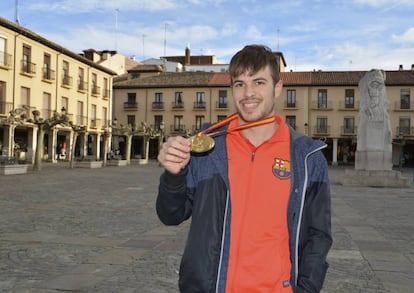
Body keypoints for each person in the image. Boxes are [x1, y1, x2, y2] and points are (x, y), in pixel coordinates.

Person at [156, 44, 332, 293]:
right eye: (239, 84)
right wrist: (174, 174)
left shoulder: (308, 158)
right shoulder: (207, 148)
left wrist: (306, 288)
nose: (248, 93)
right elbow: (170, 215)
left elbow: (318, 236)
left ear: (278, 88)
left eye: (259, 82)